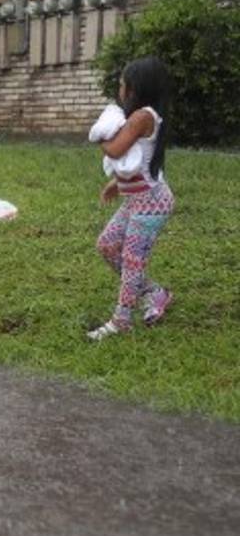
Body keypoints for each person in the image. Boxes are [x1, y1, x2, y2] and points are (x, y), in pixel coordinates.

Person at [88, 56, 175, 341]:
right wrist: (117, 183)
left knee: (132, 259)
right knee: (106, 245)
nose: (120, 90)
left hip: (152, 204)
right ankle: (154, 293)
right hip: (137, 199)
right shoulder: (139, 117)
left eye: (123, 85)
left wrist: (96, 135)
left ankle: (121, 320)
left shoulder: (141, 117)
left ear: (137, 88)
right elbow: (137, 157)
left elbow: (115, 149)